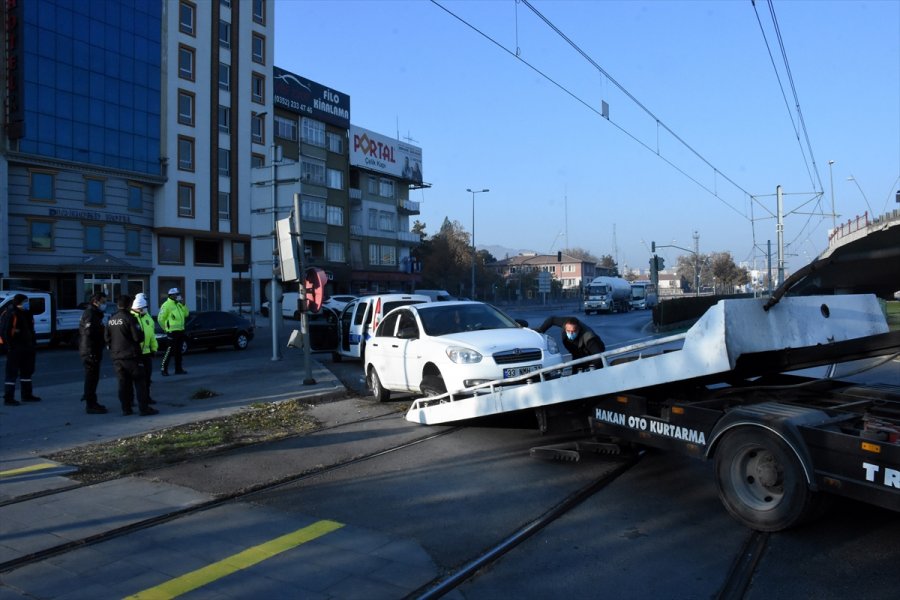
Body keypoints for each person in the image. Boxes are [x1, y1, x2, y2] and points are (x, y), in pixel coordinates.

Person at [105, 295, 157, 416]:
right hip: (132, 356)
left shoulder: (112, 319)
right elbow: (137, 337)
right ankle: (144, 409)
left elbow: (107, 338)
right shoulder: (130, 318)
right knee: (140, 382)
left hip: (117, 357)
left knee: (123, 384)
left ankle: (126, 409)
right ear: (129, 305)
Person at [1, 294, 41, 405]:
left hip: (27, 348)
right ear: (19, 302)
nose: (27, 303)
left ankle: (27, 395)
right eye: (25, 301)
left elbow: (31, 330)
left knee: (27, 372)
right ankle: (8, 398)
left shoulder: (27, 313)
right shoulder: (11, 314)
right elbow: (5, 332)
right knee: (11, 374)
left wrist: (33, 344)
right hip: (15, 349)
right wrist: (10, 346)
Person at [535, 316, 606, 372]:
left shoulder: (589, 338)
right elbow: (552, 320)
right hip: (576, 353)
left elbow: (598, 357)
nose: (570, 333)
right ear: (565, 327)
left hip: (590, 352)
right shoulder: (566, 322)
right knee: (575, 371)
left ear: (579, 330)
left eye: (573, 331)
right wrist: (540, 330)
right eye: (568, 331)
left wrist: (595, 371)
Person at [78, 292, 109, 414]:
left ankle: (92, 401)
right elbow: (88, 333)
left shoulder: (95, 313)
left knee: (93, 377)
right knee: (91, 377)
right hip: (90, 350)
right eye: (103, 302)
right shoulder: (90, 314)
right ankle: (90, 404)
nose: (104, 304)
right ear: (96, 302)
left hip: (92, 349)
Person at [132, 293, 158, 405]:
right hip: (136, 354)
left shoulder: (148, 317)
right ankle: (132, 400)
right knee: (136, 379)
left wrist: (154, 348)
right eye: (145, 307)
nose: (146, 308)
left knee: (147, 378)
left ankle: (146, 398)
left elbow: (152, 335)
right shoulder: (131, 318)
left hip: (147, 353)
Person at [158, 288, 189, 376]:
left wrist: (183, 304)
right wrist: (165, 329)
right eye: (176, 294)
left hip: (180, 331)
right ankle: (164, 369)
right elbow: (160, 319)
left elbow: (186, 314)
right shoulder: (166, 305)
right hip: (172, 332)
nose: (178, 296)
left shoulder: (179, 304)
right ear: (171, 295)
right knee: (169, 351)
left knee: (178, 351)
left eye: (178, 294)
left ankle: (178, 369)